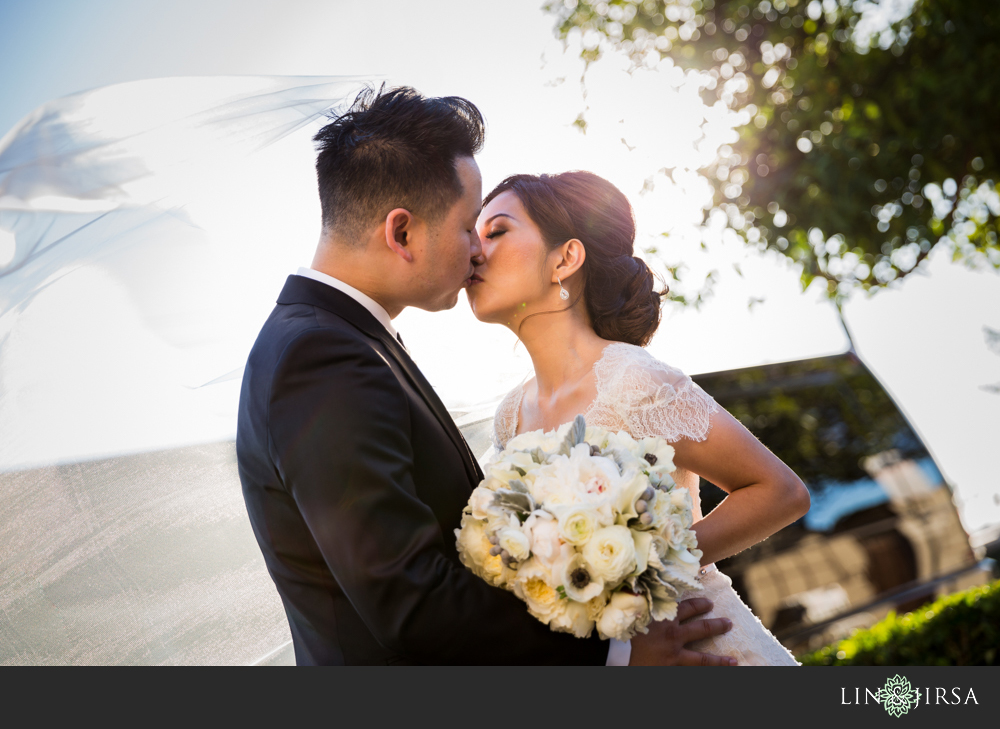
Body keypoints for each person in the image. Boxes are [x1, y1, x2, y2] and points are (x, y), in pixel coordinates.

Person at [235, 86, 737, 665]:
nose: (476, 251)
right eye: (468, 227)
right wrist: (615, 656)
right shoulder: (321, 357)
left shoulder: (337, 342)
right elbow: (413, 604)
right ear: (402, 234)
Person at [468, 171, 812, 665]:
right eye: (474, 234)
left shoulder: (632, 379)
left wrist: (642, 566)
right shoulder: (509, 416)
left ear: (565, 258)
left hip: (709, 648)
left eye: (496, 231)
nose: (474, 251)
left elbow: (781, 491)